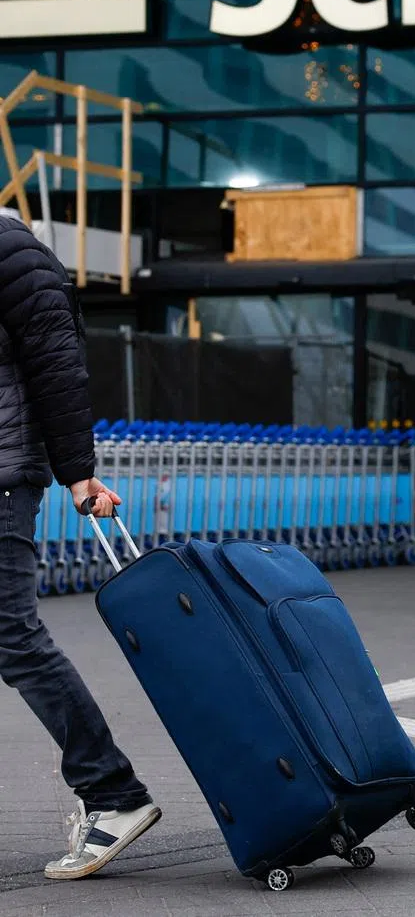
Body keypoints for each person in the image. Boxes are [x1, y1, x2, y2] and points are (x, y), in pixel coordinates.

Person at [0, 214, 160, 880]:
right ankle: (111, 790)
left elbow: (57, 362)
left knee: (12, 636)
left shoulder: (11, 251)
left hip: (3, 475)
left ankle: (115, 795)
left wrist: (76, 469)